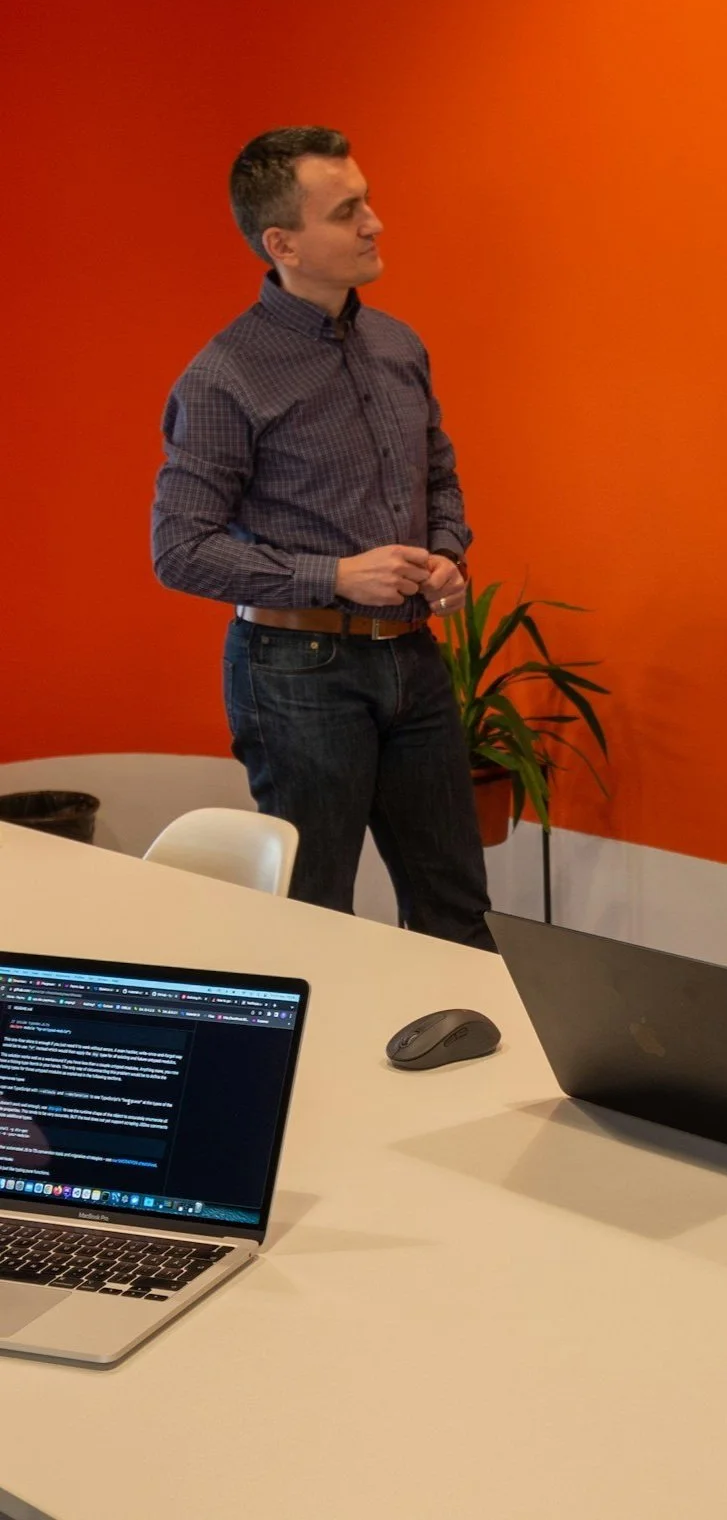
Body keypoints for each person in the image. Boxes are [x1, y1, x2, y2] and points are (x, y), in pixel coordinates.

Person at [151, 127, 494, 949]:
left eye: (367, 200)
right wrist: (335, 574)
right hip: (295, 675)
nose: (375, 222)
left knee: (457, 911)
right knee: (311, 920)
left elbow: (438, 475)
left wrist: (446, 552)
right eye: (348, 212)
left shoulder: (397, 346)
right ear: (284, 244)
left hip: (411, 656)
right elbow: (179, 549)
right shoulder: (224, 376)